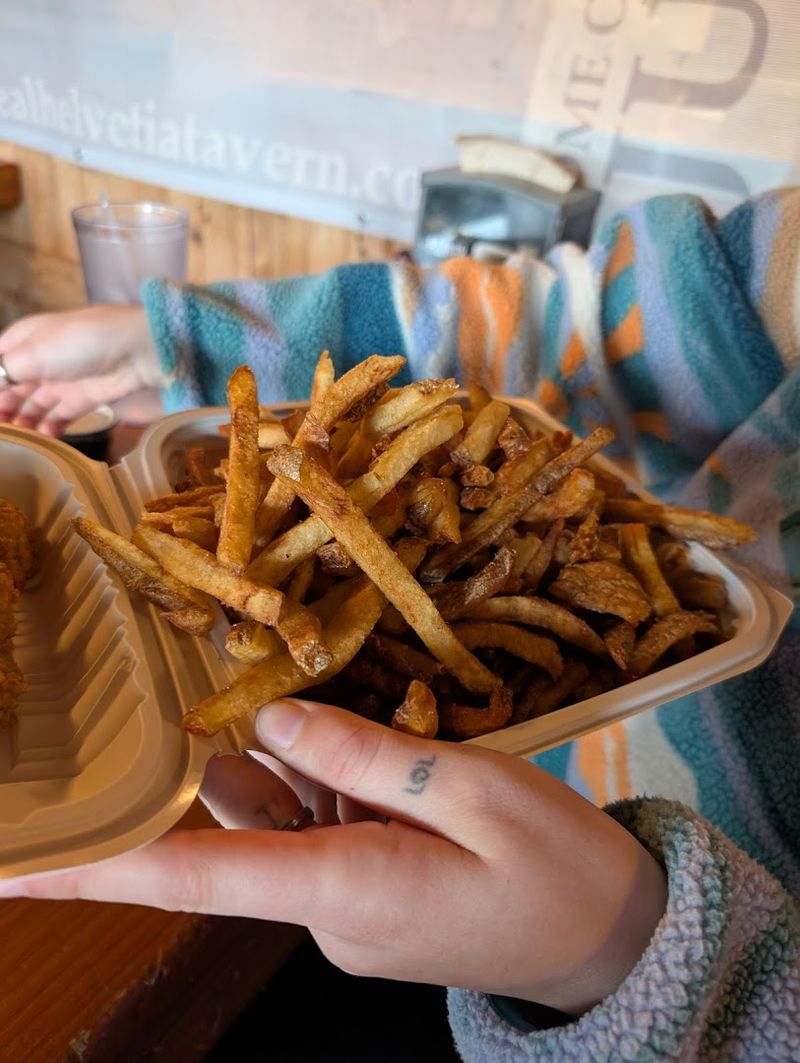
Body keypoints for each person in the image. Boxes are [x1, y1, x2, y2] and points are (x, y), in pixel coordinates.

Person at [0, 190, 798, 1060]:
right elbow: (601, 318)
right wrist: (179, 335)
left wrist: (635, 958)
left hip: (573, 910)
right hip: (480, 789)